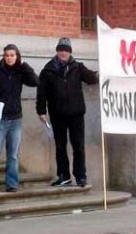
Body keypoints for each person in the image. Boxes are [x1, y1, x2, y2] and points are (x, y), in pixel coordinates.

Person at [36, 37, 98, 187]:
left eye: (66, 50)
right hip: (57, 114)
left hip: (76, 113)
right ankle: (63, 175)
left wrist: (100, 74)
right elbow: (41, 92)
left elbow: (91, 78)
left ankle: (80, 176)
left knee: (78, 146)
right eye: (61, 50)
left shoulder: (77, 67)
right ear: (57, 51)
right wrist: (41, 110)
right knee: (60, 146)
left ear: (70, 53)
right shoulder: (48, 70)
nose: (63, 53)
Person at [0, 44, 38, 193]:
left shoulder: (20, 71)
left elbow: (35, 81)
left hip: (15, 119)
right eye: (7, 55)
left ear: (17, 56)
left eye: (12, 55)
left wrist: (24, 64)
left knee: (13, 155)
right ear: (3, 56)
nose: (9, 58)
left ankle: (12, 184)